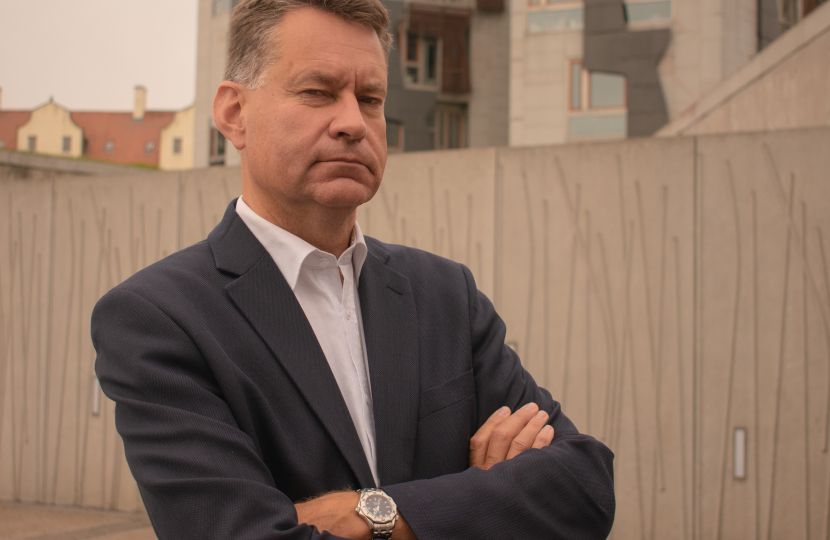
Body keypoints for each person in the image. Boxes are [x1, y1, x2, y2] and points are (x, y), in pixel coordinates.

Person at [91, 0, 615, 538]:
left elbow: (584, 486)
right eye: (317, 92)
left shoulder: (444, 295)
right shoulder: (159, 318)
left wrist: (365, 513)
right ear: (233, 112)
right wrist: (477, 498)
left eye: (370, 98)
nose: (352, 123)